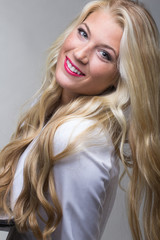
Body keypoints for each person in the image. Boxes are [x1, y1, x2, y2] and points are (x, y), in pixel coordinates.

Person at [0, 0, 160, 239]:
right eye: (83, 33)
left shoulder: (79, 139)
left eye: (105, 54)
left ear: (121, 76)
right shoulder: (58, 115)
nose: (80, 54)